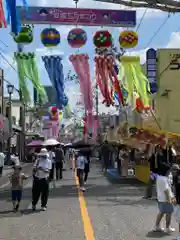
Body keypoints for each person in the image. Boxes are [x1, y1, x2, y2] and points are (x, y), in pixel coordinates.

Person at [154, 163, 175, 233]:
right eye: (168, 171)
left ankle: (156, 226)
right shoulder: (164, 179)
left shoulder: (159, 178)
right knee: (169, 213)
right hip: (166, 199)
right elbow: (166, 190)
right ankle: (167, 227)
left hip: (160, 198)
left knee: (161, 212)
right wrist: (170, 199)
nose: (169, 172)